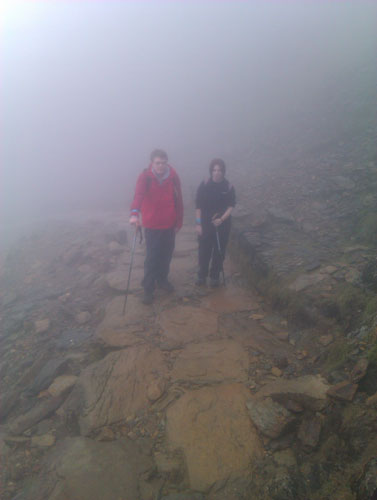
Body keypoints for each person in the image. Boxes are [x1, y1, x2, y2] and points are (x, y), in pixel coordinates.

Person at [129, 149, 183, 304]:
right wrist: (134, 214)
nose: (161, 166)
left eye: (163, 163)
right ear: (152, 163)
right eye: (158, 163)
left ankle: (162, 279)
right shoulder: (145, 177)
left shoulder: (173, 177)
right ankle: (148, 289)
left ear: (167, 163)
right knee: (152, 258)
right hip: (152, 225)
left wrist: (179, 221)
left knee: (166, 255)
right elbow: (138, 195)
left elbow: (178, 199)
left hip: (169, 224)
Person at [195, 158, 236, 287]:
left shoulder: (228, 187)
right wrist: (198, 223)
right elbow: (198, 206)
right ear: (211, 171)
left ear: (223, 171)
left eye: (219, 170)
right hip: (206, 224)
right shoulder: (205, 184)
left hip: (222, 224)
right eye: (214, 170)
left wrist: (221, 219)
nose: (216, 172)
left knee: (219, 252)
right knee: (204, 251)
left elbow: (231, 206)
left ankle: (214, 276)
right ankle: (202, 275)